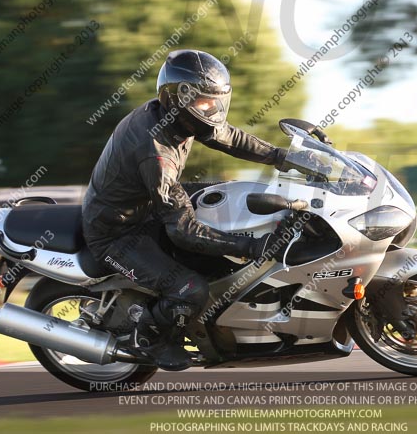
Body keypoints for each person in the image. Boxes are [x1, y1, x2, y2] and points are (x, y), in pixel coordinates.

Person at [81, 49, 295, 371]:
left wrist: (281, 157)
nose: (213, 108)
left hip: (145, 210)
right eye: (206, 102)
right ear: (181, 99)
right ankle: (149, 336)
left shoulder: (176, 119)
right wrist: (252, 247)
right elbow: (182, 230)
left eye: (216, 101)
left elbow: (229, 137)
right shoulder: (156, 154)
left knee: (224, 219)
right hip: (117, 233)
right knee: (190, 289)